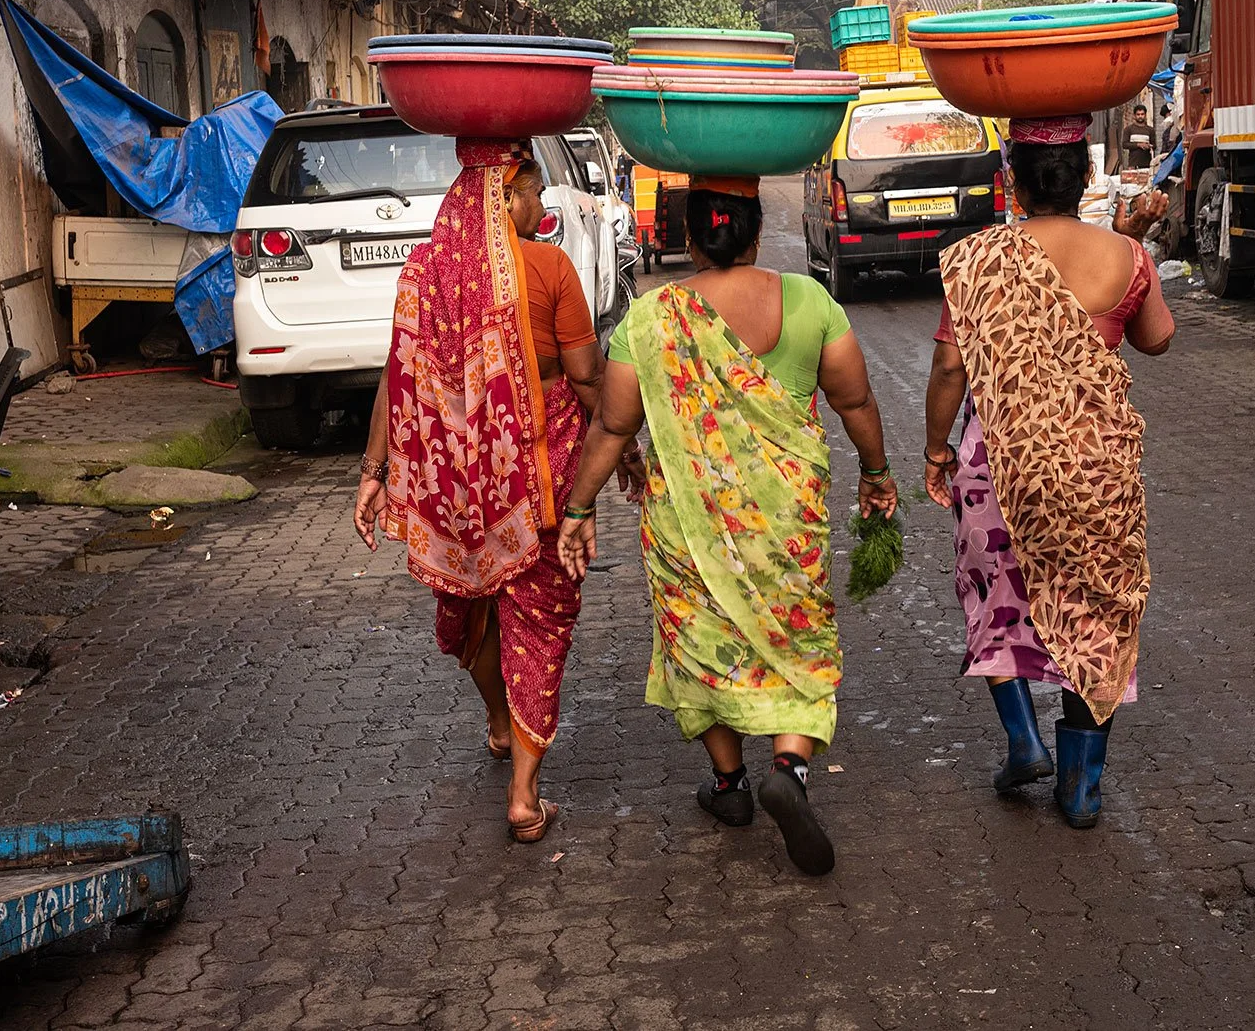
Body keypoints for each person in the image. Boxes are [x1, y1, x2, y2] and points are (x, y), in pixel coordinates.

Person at [556, 178, 897, 876]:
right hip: (785, 521)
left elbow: (615, 425)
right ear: (755, 231)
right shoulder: (809, 301)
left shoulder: (650, 319)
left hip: (688, 523)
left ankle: (729, 784)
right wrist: (876, 470)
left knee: (702, 637)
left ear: (688, 240)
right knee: (796, 630)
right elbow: (854, 398)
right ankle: (791, 770)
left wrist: (578, 507)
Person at [354, 144, 619, 843]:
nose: (540, 207)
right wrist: (622, 446)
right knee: (537, 616)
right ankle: (525, 794)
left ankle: (500, 722)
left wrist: (372, 471)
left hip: (454, 485)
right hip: (540, 471)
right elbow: (588, 379)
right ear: (505, 198)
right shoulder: (550, 268)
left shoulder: (424, 273)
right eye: (532, 192)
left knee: (470, 602)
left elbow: (397, 376)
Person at [923, 117, 1175, 829]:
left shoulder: (976, 259)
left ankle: (1022, 739)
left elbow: (949, 366)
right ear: (1086, 177)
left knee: (995, 594)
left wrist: (935, 450)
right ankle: (1081, 787)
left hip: (998, 466)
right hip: (1095, 473)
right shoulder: (1125, 255)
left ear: (1015, 179)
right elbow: (1157, 339)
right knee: (1096, 610)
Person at [1121, 104, 1156, 170]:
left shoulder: (1150, 130)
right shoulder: (1129, 129)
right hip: (1133, 164)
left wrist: (1148, 146)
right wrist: (1138, 145)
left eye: (1142, 114)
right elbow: (1124, 144)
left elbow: (1154, 145)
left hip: (1147, 164)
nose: (1140, 116)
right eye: (1138, 114)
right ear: (1134, 116)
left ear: (1145, 115)